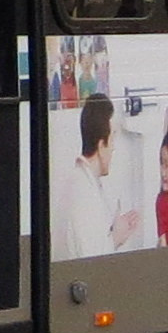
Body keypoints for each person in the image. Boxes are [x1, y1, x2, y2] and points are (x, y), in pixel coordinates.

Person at [56, 92, 117, 261]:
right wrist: (116, 237)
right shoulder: (84, 196)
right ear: (101, 145)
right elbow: (93, 263)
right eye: (112, 141)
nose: (113, 149)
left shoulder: (80, 182)